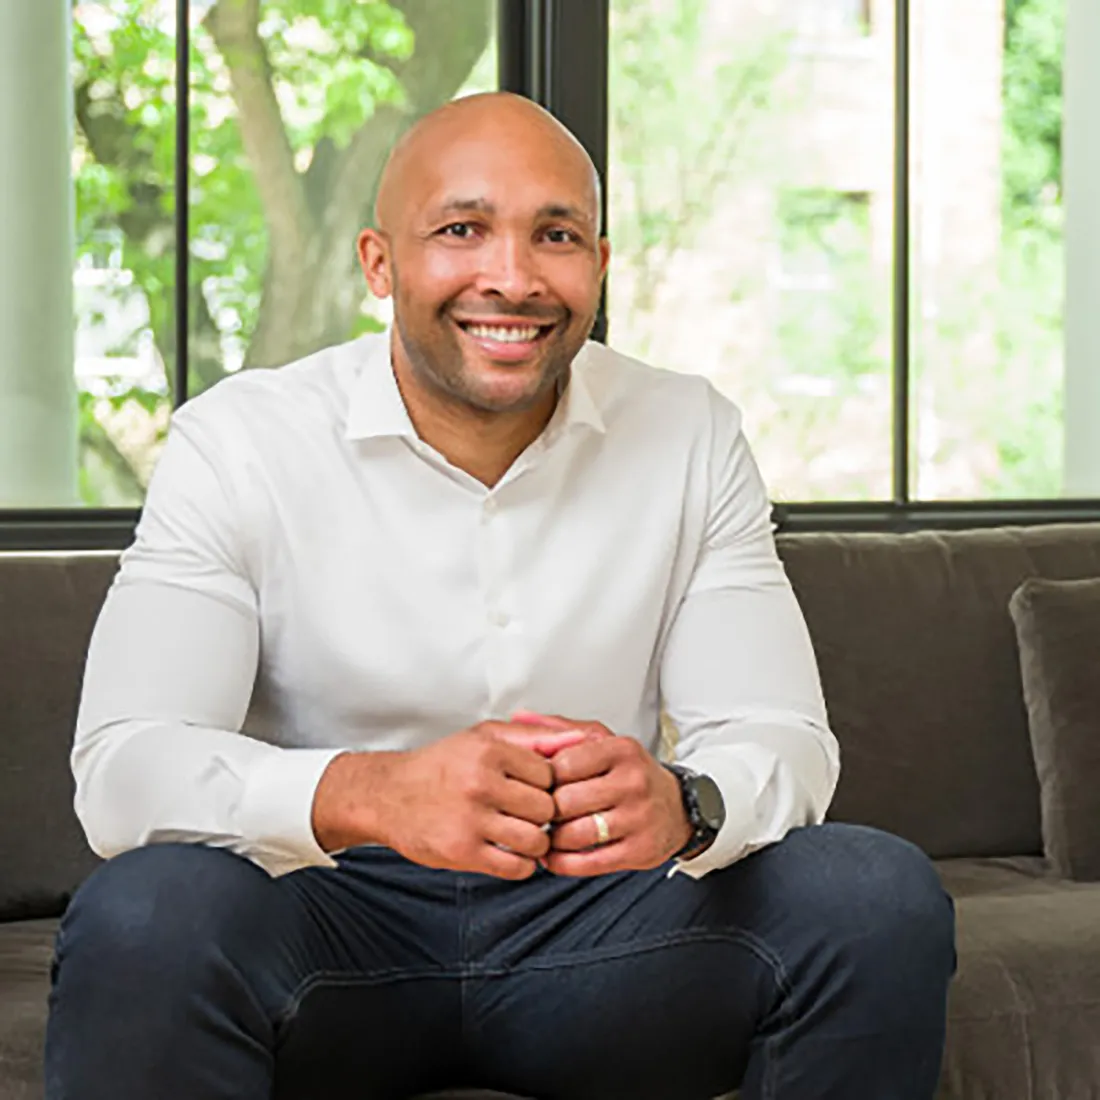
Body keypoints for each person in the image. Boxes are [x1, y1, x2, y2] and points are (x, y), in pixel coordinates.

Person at [45, 92, 954, 1100]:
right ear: (379, 263)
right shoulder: (240, 442)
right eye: (460, 229)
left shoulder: (689, 432)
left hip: (600, 927)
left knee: (872, 890)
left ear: (597, 268)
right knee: (146, 910)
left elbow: (779, 734)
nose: (512, 278)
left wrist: (683, 801)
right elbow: (123, 768)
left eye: (554, 235)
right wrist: (368, 792)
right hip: (323, 925)